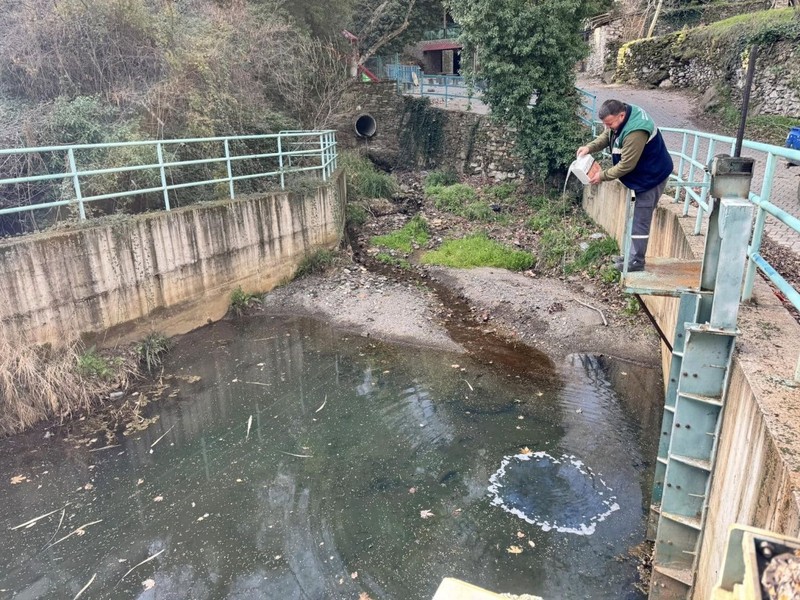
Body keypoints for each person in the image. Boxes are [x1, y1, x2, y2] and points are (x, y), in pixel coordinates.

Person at [577, 99, 674, 272]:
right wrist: (589, 148)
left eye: (610, 123)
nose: (608, 127)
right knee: (633, 215)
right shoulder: (623, 118)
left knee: (640, 218)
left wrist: (602, 176)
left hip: (651, 177)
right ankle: (630, 255)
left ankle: (636, 261)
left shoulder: (635, 131)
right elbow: (608, 136)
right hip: (641, 175)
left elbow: (627, 165)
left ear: (621, 116)